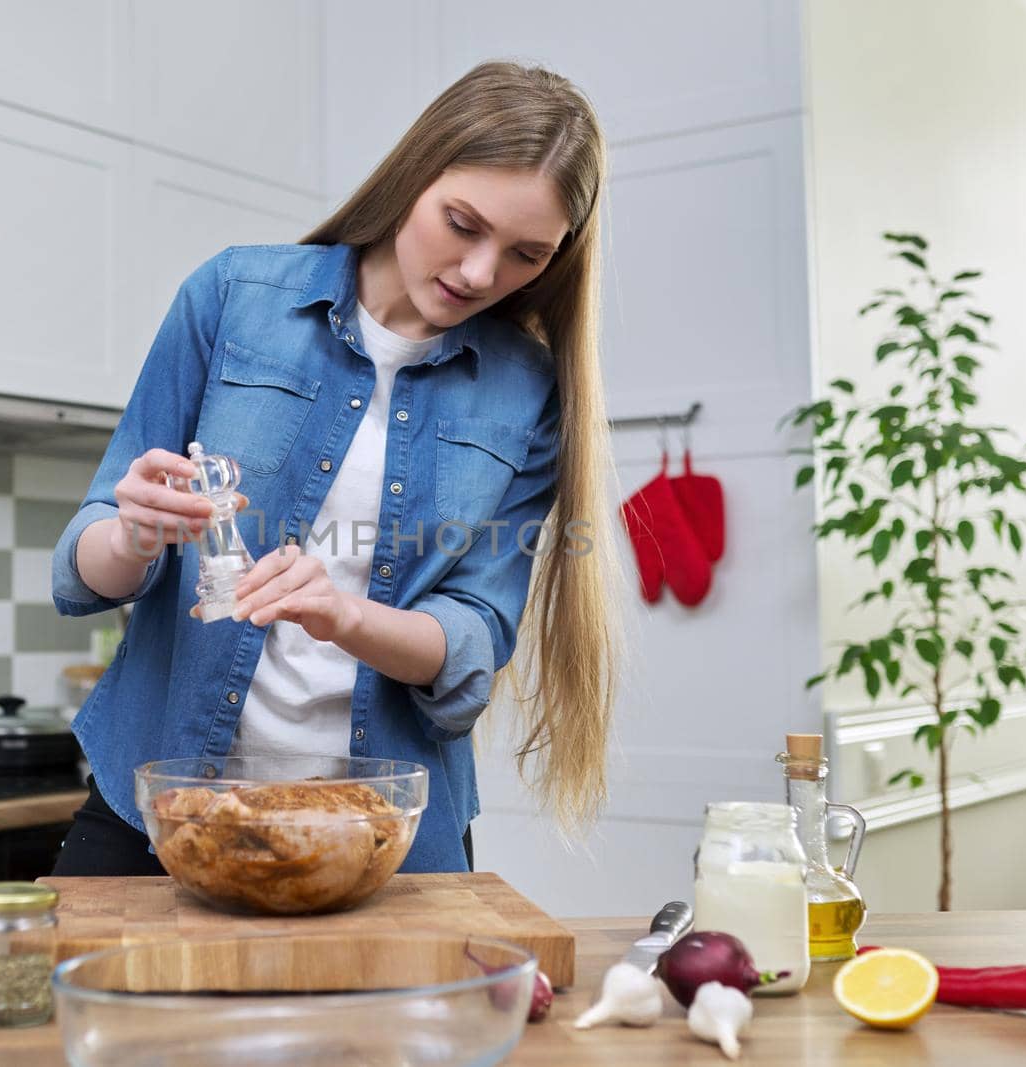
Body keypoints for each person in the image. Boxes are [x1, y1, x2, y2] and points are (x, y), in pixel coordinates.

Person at [50, 60, 624, 877]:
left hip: (385, 837)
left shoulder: (528, 390)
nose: (479, 274)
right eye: (462, 224)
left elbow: (473, 637)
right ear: (414, 175)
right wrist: (135, 532)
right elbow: (83, 563)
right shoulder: (232, 297)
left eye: (526, 255)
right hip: (162, 813)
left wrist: (343, 614)